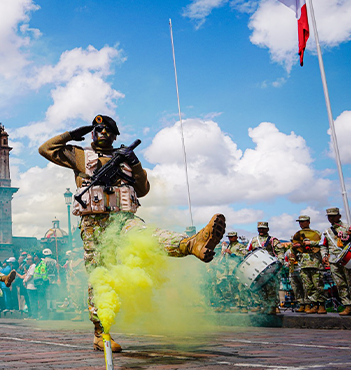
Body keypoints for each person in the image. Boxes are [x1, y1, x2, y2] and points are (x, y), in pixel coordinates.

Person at [39, 115, 226, 351]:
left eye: (108, 130)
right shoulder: (80, 155)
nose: (103, 133)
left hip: (123, 218)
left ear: (116, 135)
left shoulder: (126, 159)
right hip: (94, 224)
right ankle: (101, 333)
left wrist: (134, 163)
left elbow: (143, 190)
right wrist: (72, 134)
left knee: (146, 237)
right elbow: (45, 149)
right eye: (98, 129)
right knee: (100, 275)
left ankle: (192, 244)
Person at [321, 207, 351, 315]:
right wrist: (324, 255)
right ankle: (347, 305)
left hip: (346, 259)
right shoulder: (327, 232)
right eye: (329, 216)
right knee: (340, 284)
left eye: (333, 216)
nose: (331, 218)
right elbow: (324, 246)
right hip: (334, 260)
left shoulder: (347, 228)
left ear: (339, 216)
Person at [246, 223, 284, 315]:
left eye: (263, 229)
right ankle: (265, 306)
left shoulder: (272, 240)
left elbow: (280, 251)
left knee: (272, 288)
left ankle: (272, 307)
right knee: (261, 289)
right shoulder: (253, 240)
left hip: (271, 268)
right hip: (258, 268)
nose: (261, 230)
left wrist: (280, 261)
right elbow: (248, 252)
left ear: (267, 229)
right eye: (259, 229)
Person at [291, 215, 325, 314]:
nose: (301, 224)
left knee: (318, 285)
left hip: (315, 263)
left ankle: (322, 305)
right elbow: (294, 250)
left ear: (308, 222)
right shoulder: (297, 235)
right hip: (303, 264)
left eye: (303, 222)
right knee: (308, 286)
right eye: (300, 222)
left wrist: (311, 243)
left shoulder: (316, 233)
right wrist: (294, 247)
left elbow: (322, 243)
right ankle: (314, 305)